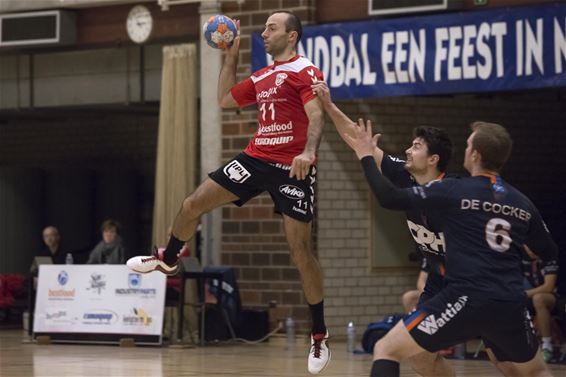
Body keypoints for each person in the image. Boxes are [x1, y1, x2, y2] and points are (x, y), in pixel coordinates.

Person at [127, 11, 329, 374]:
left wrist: (308, 152)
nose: (264, 32)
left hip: (291, 167)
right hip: (255, 157)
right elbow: (223, 100)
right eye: (264, 27)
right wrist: (231, 57)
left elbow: (316, 116)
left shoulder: (305, 70)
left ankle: (319, 334)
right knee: (192, 204)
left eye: (272, 27)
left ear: (293, 36)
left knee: (300, 252)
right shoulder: (263, 75)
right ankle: (168, 258)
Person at [345, 120, 558, 377]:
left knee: (386, 349)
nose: (466, 149)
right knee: (533, 370)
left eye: (469, 144)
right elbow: (547, 251)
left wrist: (366, 155)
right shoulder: (522, 202)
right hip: (510, 301)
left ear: (475, 154)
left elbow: (389, 197)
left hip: (466, 296)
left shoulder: (455, 190)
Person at [313, 81, 455, 376]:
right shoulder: (406, 176)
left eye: (415, 146)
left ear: (433, 159)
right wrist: (328, 106)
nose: (407, 150)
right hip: (438, 286)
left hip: (469, 285)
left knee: (510, 362)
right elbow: (360, 140)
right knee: (418, 356)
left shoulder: (450, 194)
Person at [522, 245, 559, 362]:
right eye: (529, 247)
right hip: (530, 298)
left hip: (555, 298)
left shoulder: (549, 259)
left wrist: (525, 294)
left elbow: (549, 287)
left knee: (539, 299)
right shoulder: (522, 261)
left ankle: (547, 346)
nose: (532, 249)